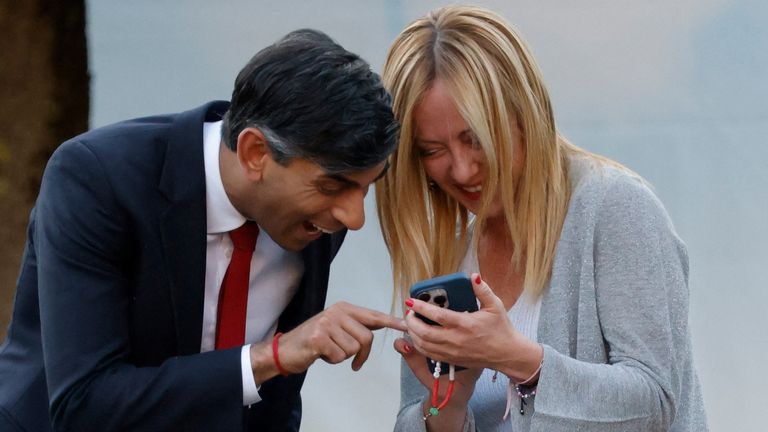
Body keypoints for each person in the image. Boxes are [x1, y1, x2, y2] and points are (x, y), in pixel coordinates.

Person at [0, 29, 404, 432]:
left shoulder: (316, 216)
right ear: (254, 153)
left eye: (366, 187)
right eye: (334, 186)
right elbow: (85, 405)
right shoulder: (97, 179)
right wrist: (271, 357)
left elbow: (274, 402)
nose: (354, 217)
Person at [376, 6, 708, 431]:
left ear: (524, 111)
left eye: (475, 138)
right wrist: (447, 406)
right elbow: (423, 414)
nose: (461, 170)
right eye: (432, 151)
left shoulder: (615, 207)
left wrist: (516, 358)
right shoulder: (447, 255)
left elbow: (656, 403)